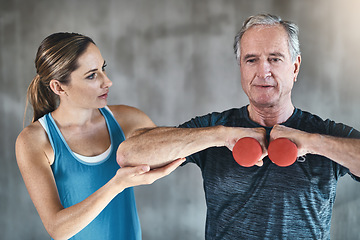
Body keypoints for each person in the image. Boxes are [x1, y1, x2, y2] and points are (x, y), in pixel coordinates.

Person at [117, 14, 360, 239]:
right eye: (251, 60)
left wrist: (312, 142)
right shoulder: (215, 128)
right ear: (241, 69)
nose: (263, 71)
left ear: (294, 67)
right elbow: (130, 154)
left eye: (274, 59)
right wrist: (222, 135)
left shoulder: (324, 132)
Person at [15, 32, 184, 240]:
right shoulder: (35, 140)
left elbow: (177, 146)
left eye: (103, 69)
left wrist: (221, 135)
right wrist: (117, 184)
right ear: (58, 87)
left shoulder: (128, 119)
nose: (108, 81)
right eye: (92, 75)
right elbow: (58, 229)